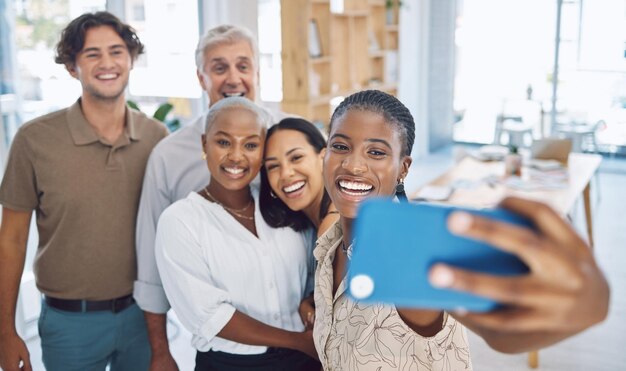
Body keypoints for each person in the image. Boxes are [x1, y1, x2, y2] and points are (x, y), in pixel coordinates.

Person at [313, 89, 610, 370]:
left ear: (403, 168)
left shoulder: (412, 252)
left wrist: (587, 306)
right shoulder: (327, 248)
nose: (353, 165)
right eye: (340, 147)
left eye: (375, 152)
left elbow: (501, 335)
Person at [0, 11, 168, 371]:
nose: (106, 63)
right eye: (92, 54)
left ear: (130, 60)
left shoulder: (157, 138)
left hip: (144, 318)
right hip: (69, 324)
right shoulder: (34, 140)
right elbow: (11, 240)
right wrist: (5, 331)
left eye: (116, 51)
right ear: (72, 67)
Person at [133, 25, 289, 369]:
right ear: (201, 78)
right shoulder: (169, 155)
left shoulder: (292, 139)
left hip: (300, 345)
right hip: (226, 352)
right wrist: (160, 351)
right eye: (219, 68)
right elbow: (149, 266)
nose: (233, 78)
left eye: (243, 66)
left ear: (257, 73)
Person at [154, 97, 320, 370]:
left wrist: (308, 302)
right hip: (232, 364)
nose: (236, 156)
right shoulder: (180, 221)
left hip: (304, 361)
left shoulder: (283, 204)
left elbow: (315, 272)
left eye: (251, 145)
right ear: (204, 144)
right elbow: (210, 316)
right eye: (223, 142)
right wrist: (299, 341)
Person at [259, 117, 340, 329]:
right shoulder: (313, 221)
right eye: (273, 166)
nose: (285, 173)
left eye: (296, 158)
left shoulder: (333, 224)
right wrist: (311, 299)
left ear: (324, 157)